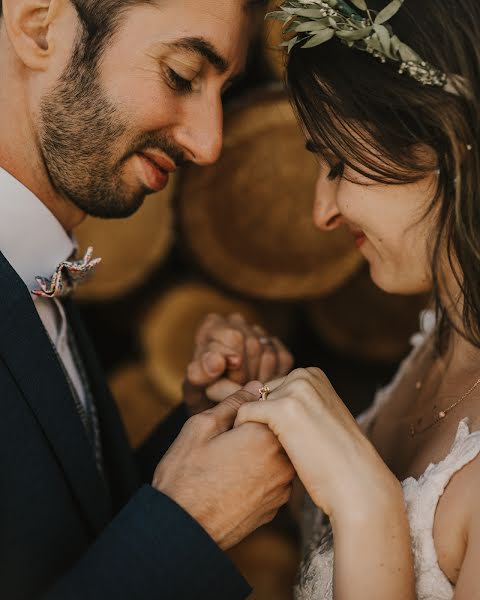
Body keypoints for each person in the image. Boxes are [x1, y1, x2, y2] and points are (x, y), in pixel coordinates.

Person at [0, 1, 296, 598]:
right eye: (182, 75)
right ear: (38, 26)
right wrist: (187, 526)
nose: (209, 143)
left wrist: (198, 432)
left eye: (222, 91)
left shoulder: (39, 268)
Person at [226, 0, 480, 598]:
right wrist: (276, 423)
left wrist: (368, 507)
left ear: (450, 142)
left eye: (340, 164)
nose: (322, 212)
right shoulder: (440, 341)